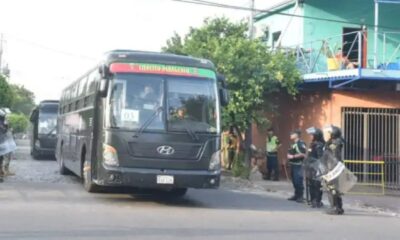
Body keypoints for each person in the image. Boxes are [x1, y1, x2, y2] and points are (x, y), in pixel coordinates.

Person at [323, 125, 345, 215]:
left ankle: (335, 207)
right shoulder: (336, 141)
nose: (329, 134)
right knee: (336, 188)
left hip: (333, 167)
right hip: (334, 167)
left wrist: (329, 169)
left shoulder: (335, 143)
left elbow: (333, 156)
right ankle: (339, 207)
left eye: (330, 133)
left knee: (331, 187)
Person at [305, 127, 325, 208]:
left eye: (312, 135)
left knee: (317, 185)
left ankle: (317, 201)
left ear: (316, 135)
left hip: (317, 168)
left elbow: (320, 158)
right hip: (311, 167)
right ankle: (313, 200)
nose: (310, 136)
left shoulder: (319, 145)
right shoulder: (313, 144)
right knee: (311, 184)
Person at [287, 130, 307, 203]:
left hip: (298, 165)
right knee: (294, 181)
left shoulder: (301, 143)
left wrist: (293, 156)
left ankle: (300, 196)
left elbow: (303, 154)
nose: (291, 134)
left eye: (292, 134)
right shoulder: (293, 144)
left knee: (298, 181)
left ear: (297, 135)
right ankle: (296, 195)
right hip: (293, 164)